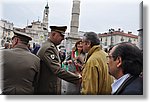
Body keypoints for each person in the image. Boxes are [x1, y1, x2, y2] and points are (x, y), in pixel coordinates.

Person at [36, 26, 81, 95]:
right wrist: (77, 78)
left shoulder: (52, 46)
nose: (63, 38)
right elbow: (57, 70)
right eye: (61, 35)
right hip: (47, 89)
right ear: (53, 34)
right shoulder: (49, 48)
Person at [1, 29, 40, 95]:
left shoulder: (2, 54)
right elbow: (37, 82)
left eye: (12, 40)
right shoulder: (36, 60)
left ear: (16, 40)